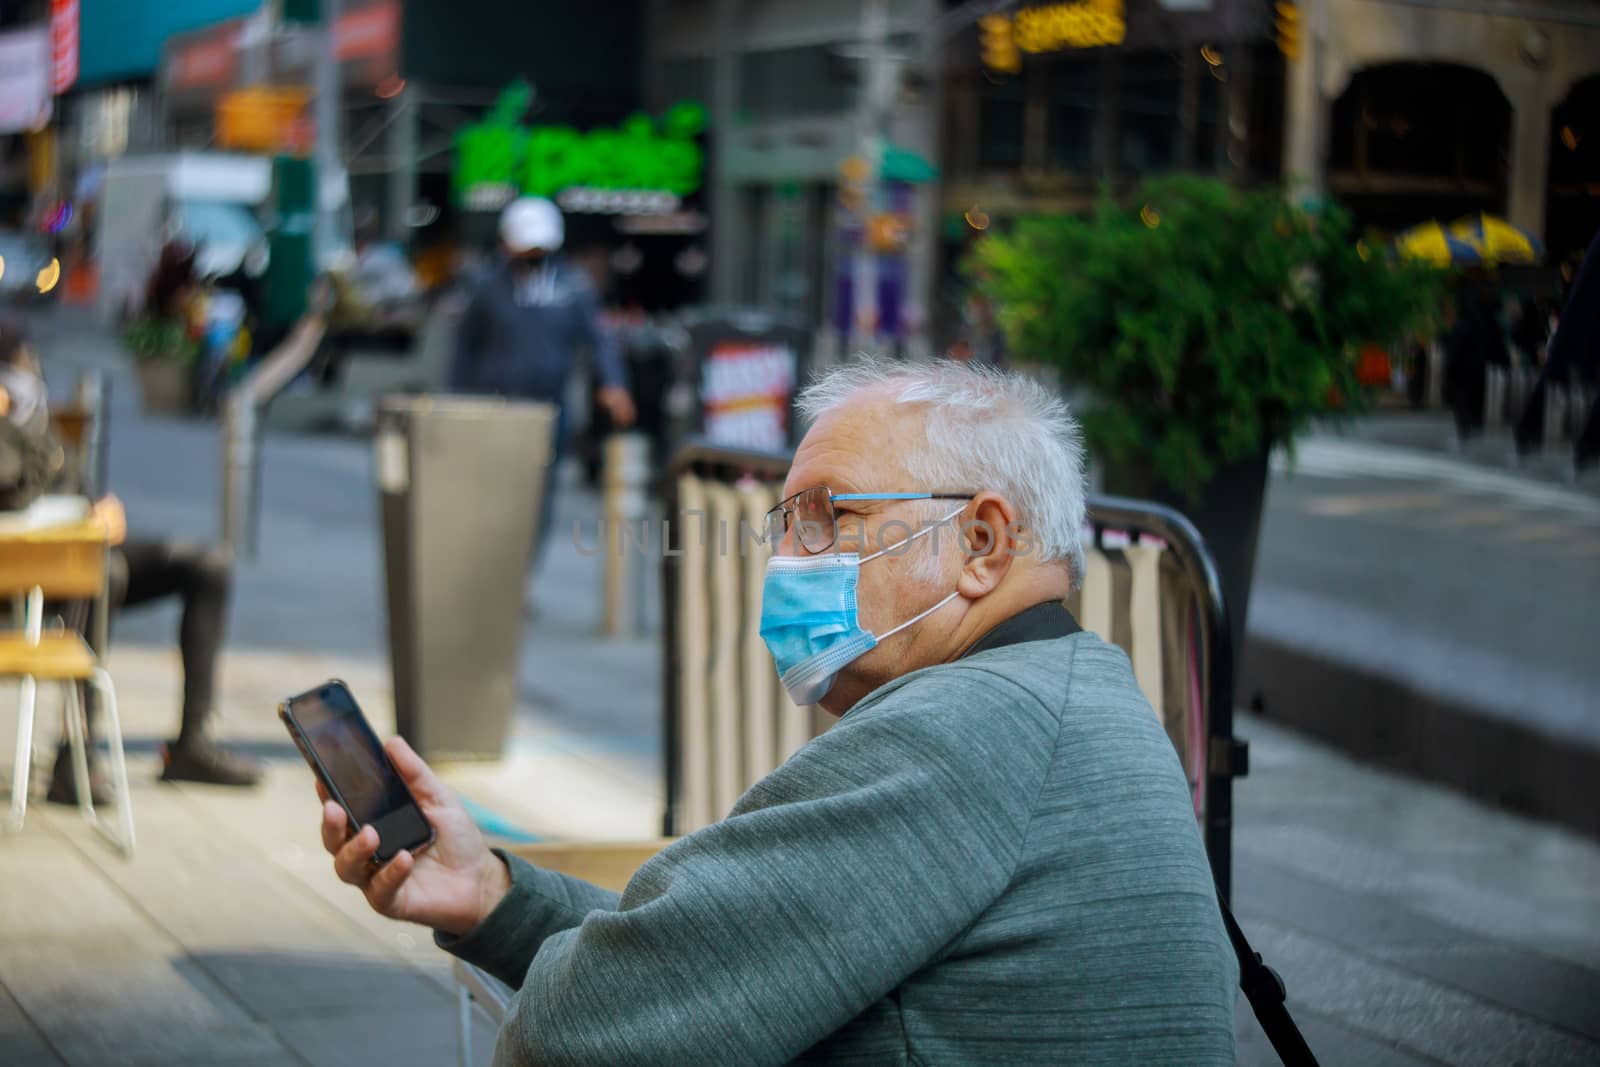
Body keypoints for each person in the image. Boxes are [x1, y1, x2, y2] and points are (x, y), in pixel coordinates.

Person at [316, 357, 1239, 1063]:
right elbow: (711, 956)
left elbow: (584, 1028)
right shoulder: (1069, 689)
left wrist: (566, 973)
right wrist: (495, 899)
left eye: (828, 517)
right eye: (785, 525)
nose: (789, 560)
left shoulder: (959, 733)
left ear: (984, 543)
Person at [0, 322, 260, 798]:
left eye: (25, 364)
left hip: (79, 547)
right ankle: (75, 757)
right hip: (22, 571)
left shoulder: (33, 416)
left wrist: (101, 508)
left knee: (208, 565)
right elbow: (13, 488)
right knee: (105, 574)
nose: (24, 375)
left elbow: (67, 476)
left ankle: (192, 744)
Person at [448, 197, 636, 564]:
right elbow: (464, 348)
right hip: (493, 408)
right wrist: (456, 402)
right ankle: (489, 567)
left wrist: (614, 384)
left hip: (548, 407)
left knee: (537, 494)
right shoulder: (488, 286)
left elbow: (598, 340)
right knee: (491, 491)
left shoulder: (572, 287)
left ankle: (521, 571)